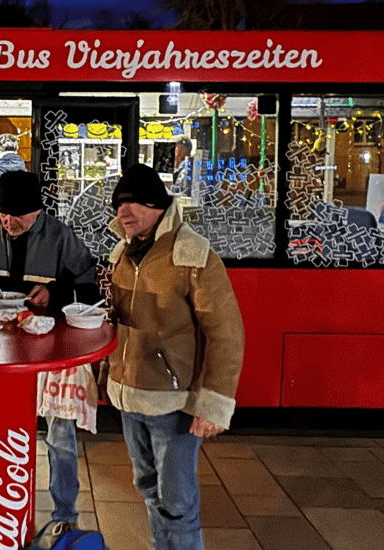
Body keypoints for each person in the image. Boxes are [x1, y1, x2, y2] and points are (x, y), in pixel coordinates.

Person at [0, 169, 100, 529]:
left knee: (59, 436)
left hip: (51, 354)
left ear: (38, 211)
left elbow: (90, 290)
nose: (9, 222)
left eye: (18, 215)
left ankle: (65, 516)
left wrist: (54, 295)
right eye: (3, 213)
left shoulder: (61, 237)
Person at [106, 164, 244, 550]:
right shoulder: (123, 251)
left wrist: (213, 403)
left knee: (177, 502)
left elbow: (226, 333)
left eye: (133, 202)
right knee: (147, 487)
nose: (123, 211)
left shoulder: (193, 254)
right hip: (129, 393)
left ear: (157, 205)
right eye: (119, 204)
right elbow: (122, 321)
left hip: (175, 402)